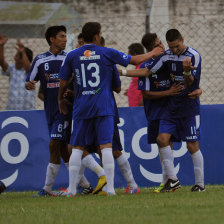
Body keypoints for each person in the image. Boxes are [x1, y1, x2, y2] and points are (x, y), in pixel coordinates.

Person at [58, 22, 163, 197]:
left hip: (82, 106)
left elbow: (63, 80)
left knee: (76, 147)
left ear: (83, 37)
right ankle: (111, 189)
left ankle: (71, 190)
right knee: (106, 146)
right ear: (98, 36)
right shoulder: (106, 53)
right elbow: (134, 61)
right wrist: (153, 52)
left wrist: (60, 98)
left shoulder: (72, 55)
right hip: (103, 106)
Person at [26, 25, 106, 196]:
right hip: (50, 110)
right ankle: (85, 185)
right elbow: (29, 81)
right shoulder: (40, 60)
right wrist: (29, 84)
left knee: (55, 144)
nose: (65, 39)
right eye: (62, 36)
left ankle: (47, 189)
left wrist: (71, 92)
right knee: (64, 148)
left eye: (65, 36)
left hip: (66, 108)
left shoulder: (70, 57)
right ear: (52, 39)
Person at [121, 29, 204, 192]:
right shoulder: (166, 56)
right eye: (171, 47)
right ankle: (172, 180)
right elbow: (146, 71)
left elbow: (190, 82)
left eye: (176, 46)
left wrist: (187, 71)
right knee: (162, 139)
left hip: (189, 106)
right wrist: (121, 71)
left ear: (182, 39)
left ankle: (200, 184)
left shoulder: (194, 55)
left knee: (192, 144)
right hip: (171, 107)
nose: (174, 50)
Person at [0, 35, 35, 110]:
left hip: (28, 110)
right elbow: (1, 62)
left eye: (17, 56)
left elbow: (28, 69)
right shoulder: (12, 69)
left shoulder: (30, 70)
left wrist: (22, 52)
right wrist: (1, 45)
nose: (14, 58)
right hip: (12, 109)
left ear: (23, 59)